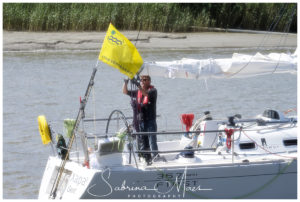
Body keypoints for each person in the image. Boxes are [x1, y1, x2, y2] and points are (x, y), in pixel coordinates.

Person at [123, 75, 158, 164]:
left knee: (152, 141)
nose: (142, 81)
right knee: (143, 140)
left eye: (144, 80)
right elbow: (125, 91)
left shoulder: (153, 91)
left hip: (150, 121)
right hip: (142, 121)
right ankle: (145, 157)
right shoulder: (138, 91)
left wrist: (138, 84)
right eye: (141, 80)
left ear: (149, 81)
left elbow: (146, 94)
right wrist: (126, 82)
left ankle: (156, 157)